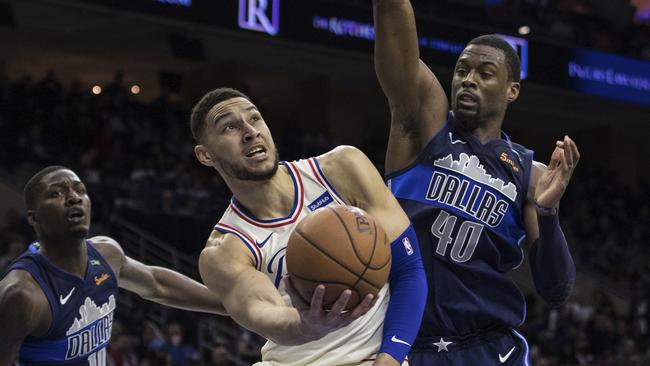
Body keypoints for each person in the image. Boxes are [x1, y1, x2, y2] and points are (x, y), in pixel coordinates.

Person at [372, 1, 578, 365]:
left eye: (485, 73)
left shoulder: (529, 172)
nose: (468, 79)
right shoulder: (424, 125)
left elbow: (556, 290)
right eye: (462, 70)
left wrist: (547, 212)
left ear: (512, 90)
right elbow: (396, 40)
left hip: (488, 347)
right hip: (403, 341)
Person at [191, 88, 428, 366]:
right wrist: (306, 325)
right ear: (206, 155)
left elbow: (410, 271)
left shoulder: (341, 169)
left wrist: (391, 357)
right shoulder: (224, 250)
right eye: (229, 127)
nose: (249, 131)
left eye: (254, 118)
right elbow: (264, 313)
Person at [0, 166, 226, 366]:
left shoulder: (107, 255)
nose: (73, 198)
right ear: (34, 217)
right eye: (56, 193)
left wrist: (235, 306)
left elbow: (158, 284)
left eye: (79, 190)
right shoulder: (21, 295)